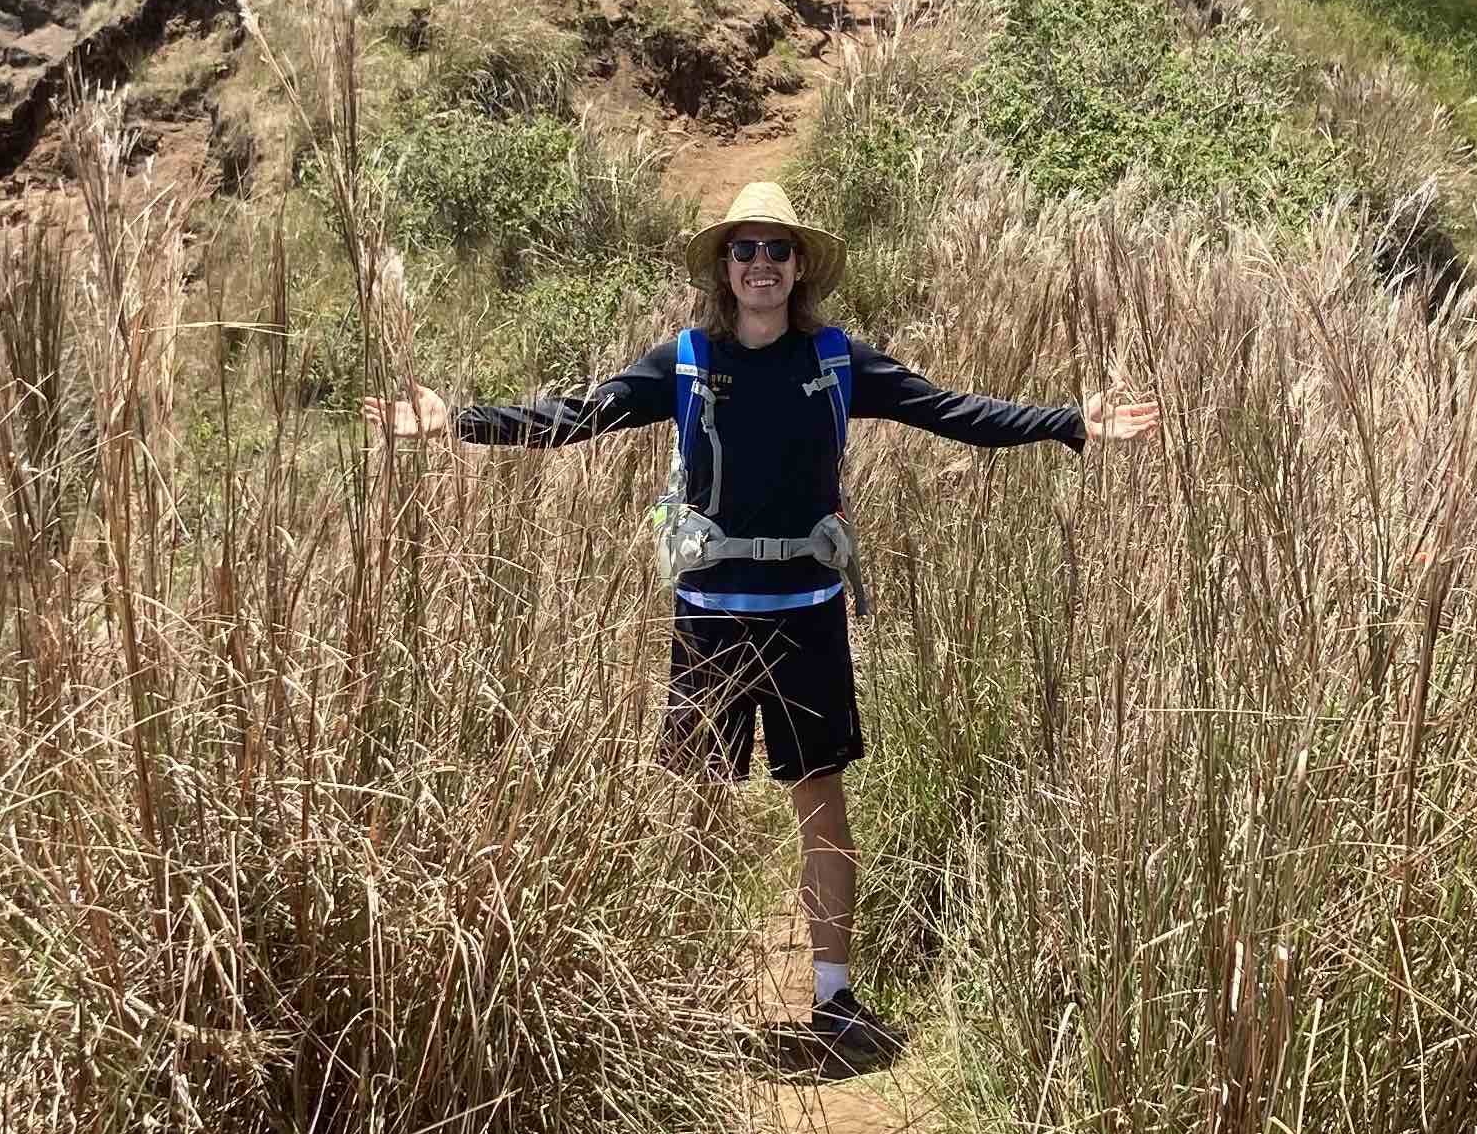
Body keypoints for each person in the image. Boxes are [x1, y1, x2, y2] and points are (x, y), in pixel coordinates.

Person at [365, 175, 1159, 1056]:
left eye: (777, 249)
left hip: (809, 617)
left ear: (800, 266)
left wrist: (1068, 425)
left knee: (819, 798)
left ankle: (834, 999)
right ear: (724, 266)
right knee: (699, 805)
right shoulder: (686, 363)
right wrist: (458, 424)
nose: (761, 265)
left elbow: (950, 411)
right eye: (745, 249)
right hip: (709, 618)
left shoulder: (838, 361)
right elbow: (578, 416)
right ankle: (682, 997)